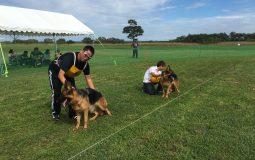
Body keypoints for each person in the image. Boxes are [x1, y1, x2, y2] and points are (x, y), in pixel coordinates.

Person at [48, 45, 95, 120]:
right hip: (56, 71)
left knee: (73, 94)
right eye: (85, 55)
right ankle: (56, 113)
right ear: (81, 51)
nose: (86, 58)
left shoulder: (85, 64)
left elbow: (88, 78)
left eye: (88, 58)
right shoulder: (70, 58)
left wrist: (94, 93)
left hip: (68, 73)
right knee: (56, 92)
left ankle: (72, 114)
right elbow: (60, 75)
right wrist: (69, 88)